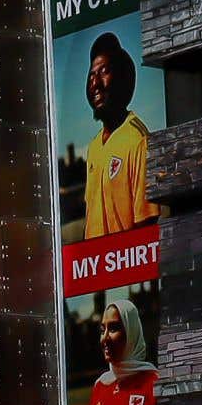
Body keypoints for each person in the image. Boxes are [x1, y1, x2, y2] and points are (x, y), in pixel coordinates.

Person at [78, 32, 150, 248]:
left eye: (104, 72)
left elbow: (146, 224)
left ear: (121, 77)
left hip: (125, 274)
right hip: (97, 273)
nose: (95, 83)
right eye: (91, 75)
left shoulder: (138, 139)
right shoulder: (93, 147)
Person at [85, 298, 158, 405]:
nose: (105, 338)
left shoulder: (154, 383)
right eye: (102, 330)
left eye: (113, 329)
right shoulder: (100, 385)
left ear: (131, 333)